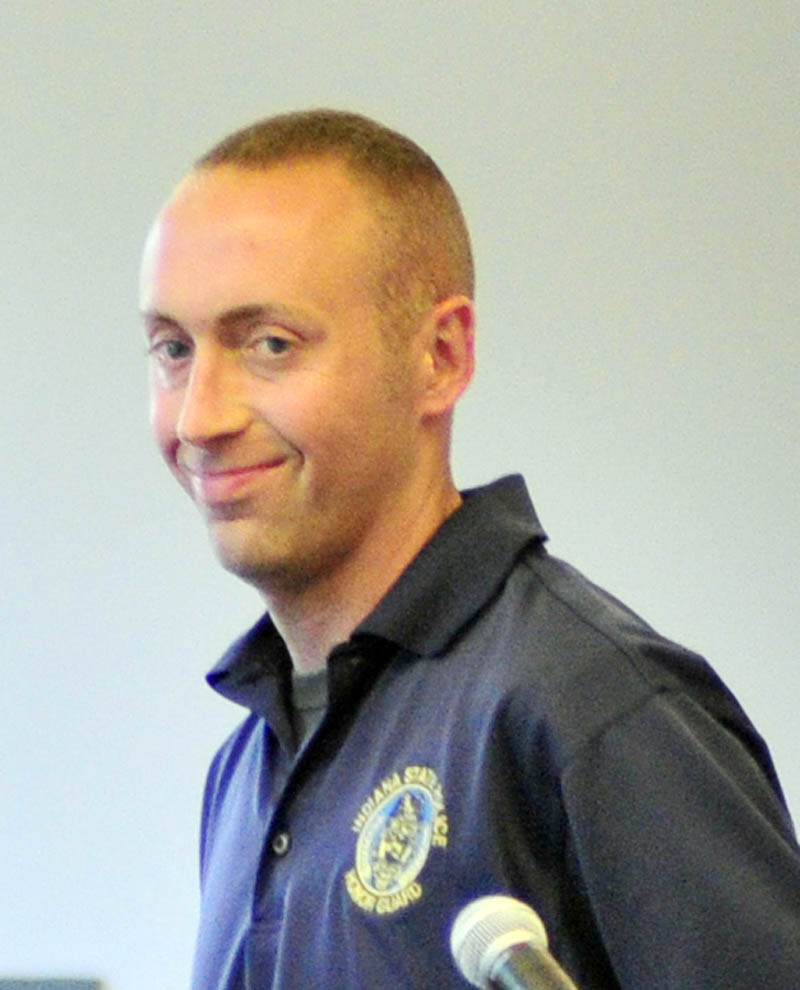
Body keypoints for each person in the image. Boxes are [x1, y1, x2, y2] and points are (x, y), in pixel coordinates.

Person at [139, 109, 800, 989]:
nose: (199, 417)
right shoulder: (246, 769)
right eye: (173, 350)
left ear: (440, 358)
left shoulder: (589, 709)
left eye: (270, 345)